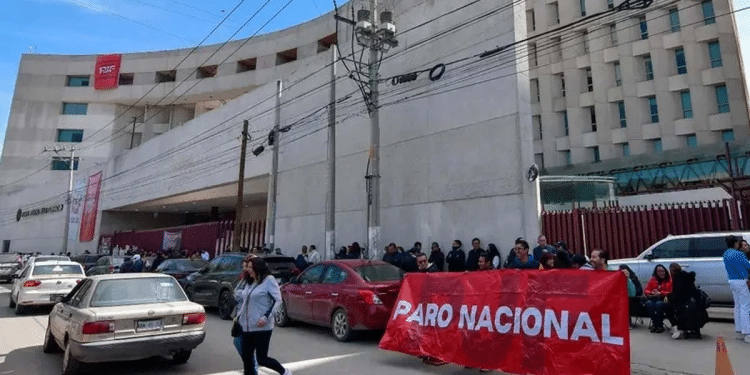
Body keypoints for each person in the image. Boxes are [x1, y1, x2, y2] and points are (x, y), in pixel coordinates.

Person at [234, 256, 291, 375]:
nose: (248, 270)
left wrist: (266, 317)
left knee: (262, 359)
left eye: (250, 267)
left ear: (258, 268)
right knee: (246, 357)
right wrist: (238, 316)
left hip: (262, 327)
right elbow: (244, 299)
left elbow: (278, 300)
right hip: (246, 326)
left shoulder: (269, 280)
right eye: (247, 267)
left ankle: (284, 371)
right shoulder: (249, 281)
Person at [722, 235, 750, 343]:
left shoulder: (726, 254)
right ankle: (747, 333)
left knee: (737, 306)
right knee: (745, 307)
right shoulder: (739, 254)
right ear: (735, 244)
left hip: (732, 280)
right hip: (741, 280)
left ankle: (739, 330)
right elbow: (747, 266)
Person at [668, 263, 707, 339]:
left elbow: (677, 294)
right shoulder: (688, 278)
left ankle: (677, 328)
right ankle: (695, 330)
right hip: (696, 303)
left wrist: (669, 298)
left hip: (683, 304)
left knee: (668, 308)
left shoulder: (678, 279)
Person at [644, 264, 673, 333]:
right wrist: (651, 292)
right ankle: (655, 323)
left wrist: (660, 293)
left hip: (664, 298)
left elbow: (670, 291)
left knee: (658, 304)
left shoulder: (669, 280)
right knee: (649, 304)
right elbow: (646, 290)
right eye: (659, 271)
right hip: (653, 297)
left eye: (662, 271)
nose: (661, 273)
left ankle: (659, 325)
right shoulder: (652, 279)